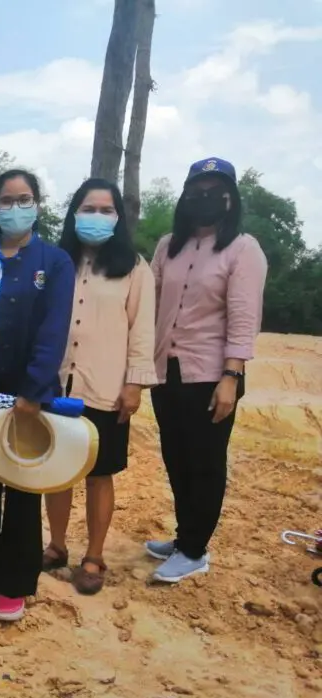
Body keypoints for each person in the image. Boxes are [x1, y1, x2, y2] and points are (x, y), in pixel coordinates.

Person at [0, 169, 75, 622]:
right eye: (6, 199)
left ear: (38, 203)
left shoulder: (55, 262)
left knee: (23, 485)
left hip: (28, 386)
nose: (15, 207)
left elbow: (53, 330)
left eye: (24, 198)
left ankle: (17, 581)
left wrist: (33, 389)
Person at [145, 157, 267, 583]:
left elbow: (242, 316)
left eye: (215, 190)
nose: (205, 197)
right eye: (197, 190)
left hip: (212, 376)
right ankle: (183, 537)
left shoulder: (243, 249)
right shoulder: (167, 246)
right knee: (176, 459)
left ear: (231, 198)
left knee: (205, 462)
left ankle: (195, 550)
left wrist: (231, 378)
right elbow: (151, 302)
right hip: (167, 372)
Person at [42, 178, 157, 595]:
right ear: (74, 214)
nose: (96, 217)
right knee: (56, 471)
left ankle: (93, 555)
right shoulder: (56, 262)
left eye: (105, 210)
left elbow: (142, 330)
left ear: (118, 218)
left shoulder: (134, 267)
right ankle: (56, 546)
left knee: (99, 473)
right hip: (56, 384)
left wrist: (135, 385)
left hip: (107, 387)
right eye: (88, 208)